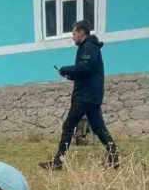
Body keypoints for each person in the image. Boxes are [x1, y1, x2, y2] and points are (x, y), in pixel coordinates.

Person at [40, 20, 119, 170]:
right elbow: (85, 73)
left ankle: (58, 162)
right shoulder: (89, 47)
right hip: (90, 95)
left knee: (68, 125)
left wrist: (65, 69)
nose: (73, 37)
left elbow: (84, 68)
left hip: (85, 96)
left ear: (81, 34)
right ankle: (114, 157)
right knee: (98, 128)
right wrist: (70, 75)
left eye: (74, 34)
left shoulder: (88, 47)